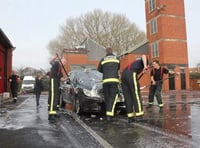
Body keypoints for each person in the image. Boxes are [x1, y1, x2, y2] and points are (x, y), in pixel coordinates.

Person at [121, 54, 149, 123]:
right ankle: (139, 116)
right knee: (136, 94)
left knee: (128, 96)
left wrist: (143, 71)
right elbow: (143, 56)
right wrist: (145, 65)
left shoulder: (136, 65)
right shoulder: (143, 62)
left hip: (124, 75)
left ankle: (130, 117)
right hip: (131, 73)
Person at [97, 48, 120, 121]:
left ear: (106, 52)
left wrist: (105, 70)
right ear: (112, 52)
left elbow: (99, 69)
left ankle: (108, 112)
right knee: (113, 97)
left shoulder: (103, 59)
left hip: (106, 81)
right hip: (114, 80)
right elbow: (118, 68)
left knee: (107, 97)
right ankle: (109, 114)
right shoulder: (117, 58)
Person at [48, 55, 67, 120]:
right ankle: (51, 114)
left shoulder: (60, 68)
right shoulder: (56, 63)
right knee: (53, 97)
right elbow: (50, 62)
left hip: (57, 82)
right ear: (61, 61)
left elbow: (61, 78)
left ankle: (54, 112)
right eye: (64, 62)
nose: (64, 64)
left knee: (56, 97)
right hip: (54, 80)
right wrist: (55, 57)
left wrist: (65, 79)